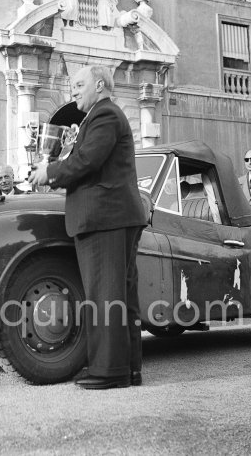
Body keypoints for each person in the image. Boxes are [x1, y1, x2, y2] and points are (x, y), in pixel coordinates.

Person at [29, 65, 147, 390]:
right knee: (119, 295)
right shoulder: (101, 116)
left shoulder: (104, 115)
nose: (73, 91)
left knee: (105, 296)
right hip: (112, 217)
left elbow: (87, 161)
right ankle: (127, 369)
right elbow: (86, 160)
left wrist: (49, 172)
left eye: (79, 85)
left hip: (104, 218)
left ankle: (109, 372)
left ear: (99, 84)